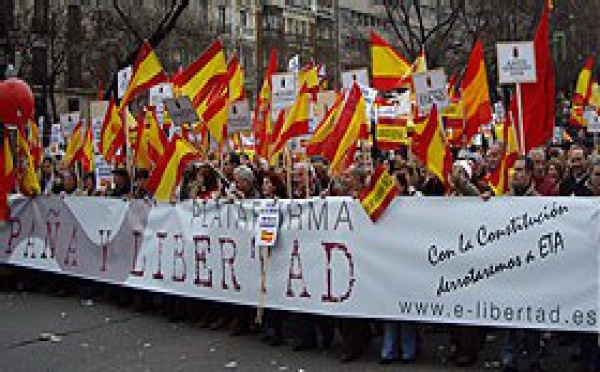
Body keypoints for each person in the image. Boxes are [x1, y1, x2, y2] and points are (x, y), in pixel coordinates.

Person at [380, 171, 419, 365]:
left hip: (409, 262)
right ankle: (388, 351)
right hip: (389, 262)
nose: (390, 189)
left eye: (394, 185)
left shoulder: (415, 202)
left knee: (406, 309)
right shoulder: (383, 206)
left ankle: (408, 351)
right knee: (390, 308)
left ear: (403, 187)